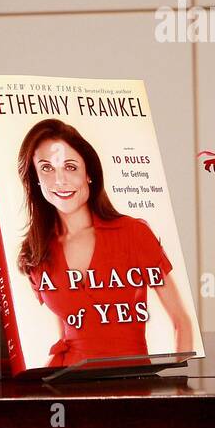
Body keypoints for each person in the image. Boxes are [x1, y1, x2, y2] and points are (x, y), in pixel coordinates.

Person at [16, 118, 195, 369]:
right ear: (34, 178)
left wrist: (178, 392)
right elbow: (65, 335)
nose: (60, 181)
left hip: (131, 385)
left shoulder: (134, 233)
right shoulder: (36, 251)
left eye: (70, 167)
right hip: (66, 384)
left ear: (89, 173)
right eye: (46, 168)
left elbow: (181, 321)